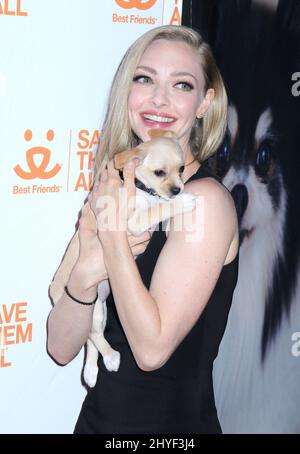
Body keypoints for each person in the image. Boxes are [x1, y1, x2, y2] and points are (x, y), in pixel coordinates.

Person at [47, 25, 239, 434]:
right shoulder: (117, 185)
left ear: (205, 103)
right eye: (145, 78)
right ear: (127, 91)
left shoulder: (205, 201)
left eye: (181, 85)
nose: (159, 99)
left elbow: (151, 350)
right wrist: (83, 276)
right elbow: (60, 347)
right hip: (97, 424)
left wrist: (114, 236)